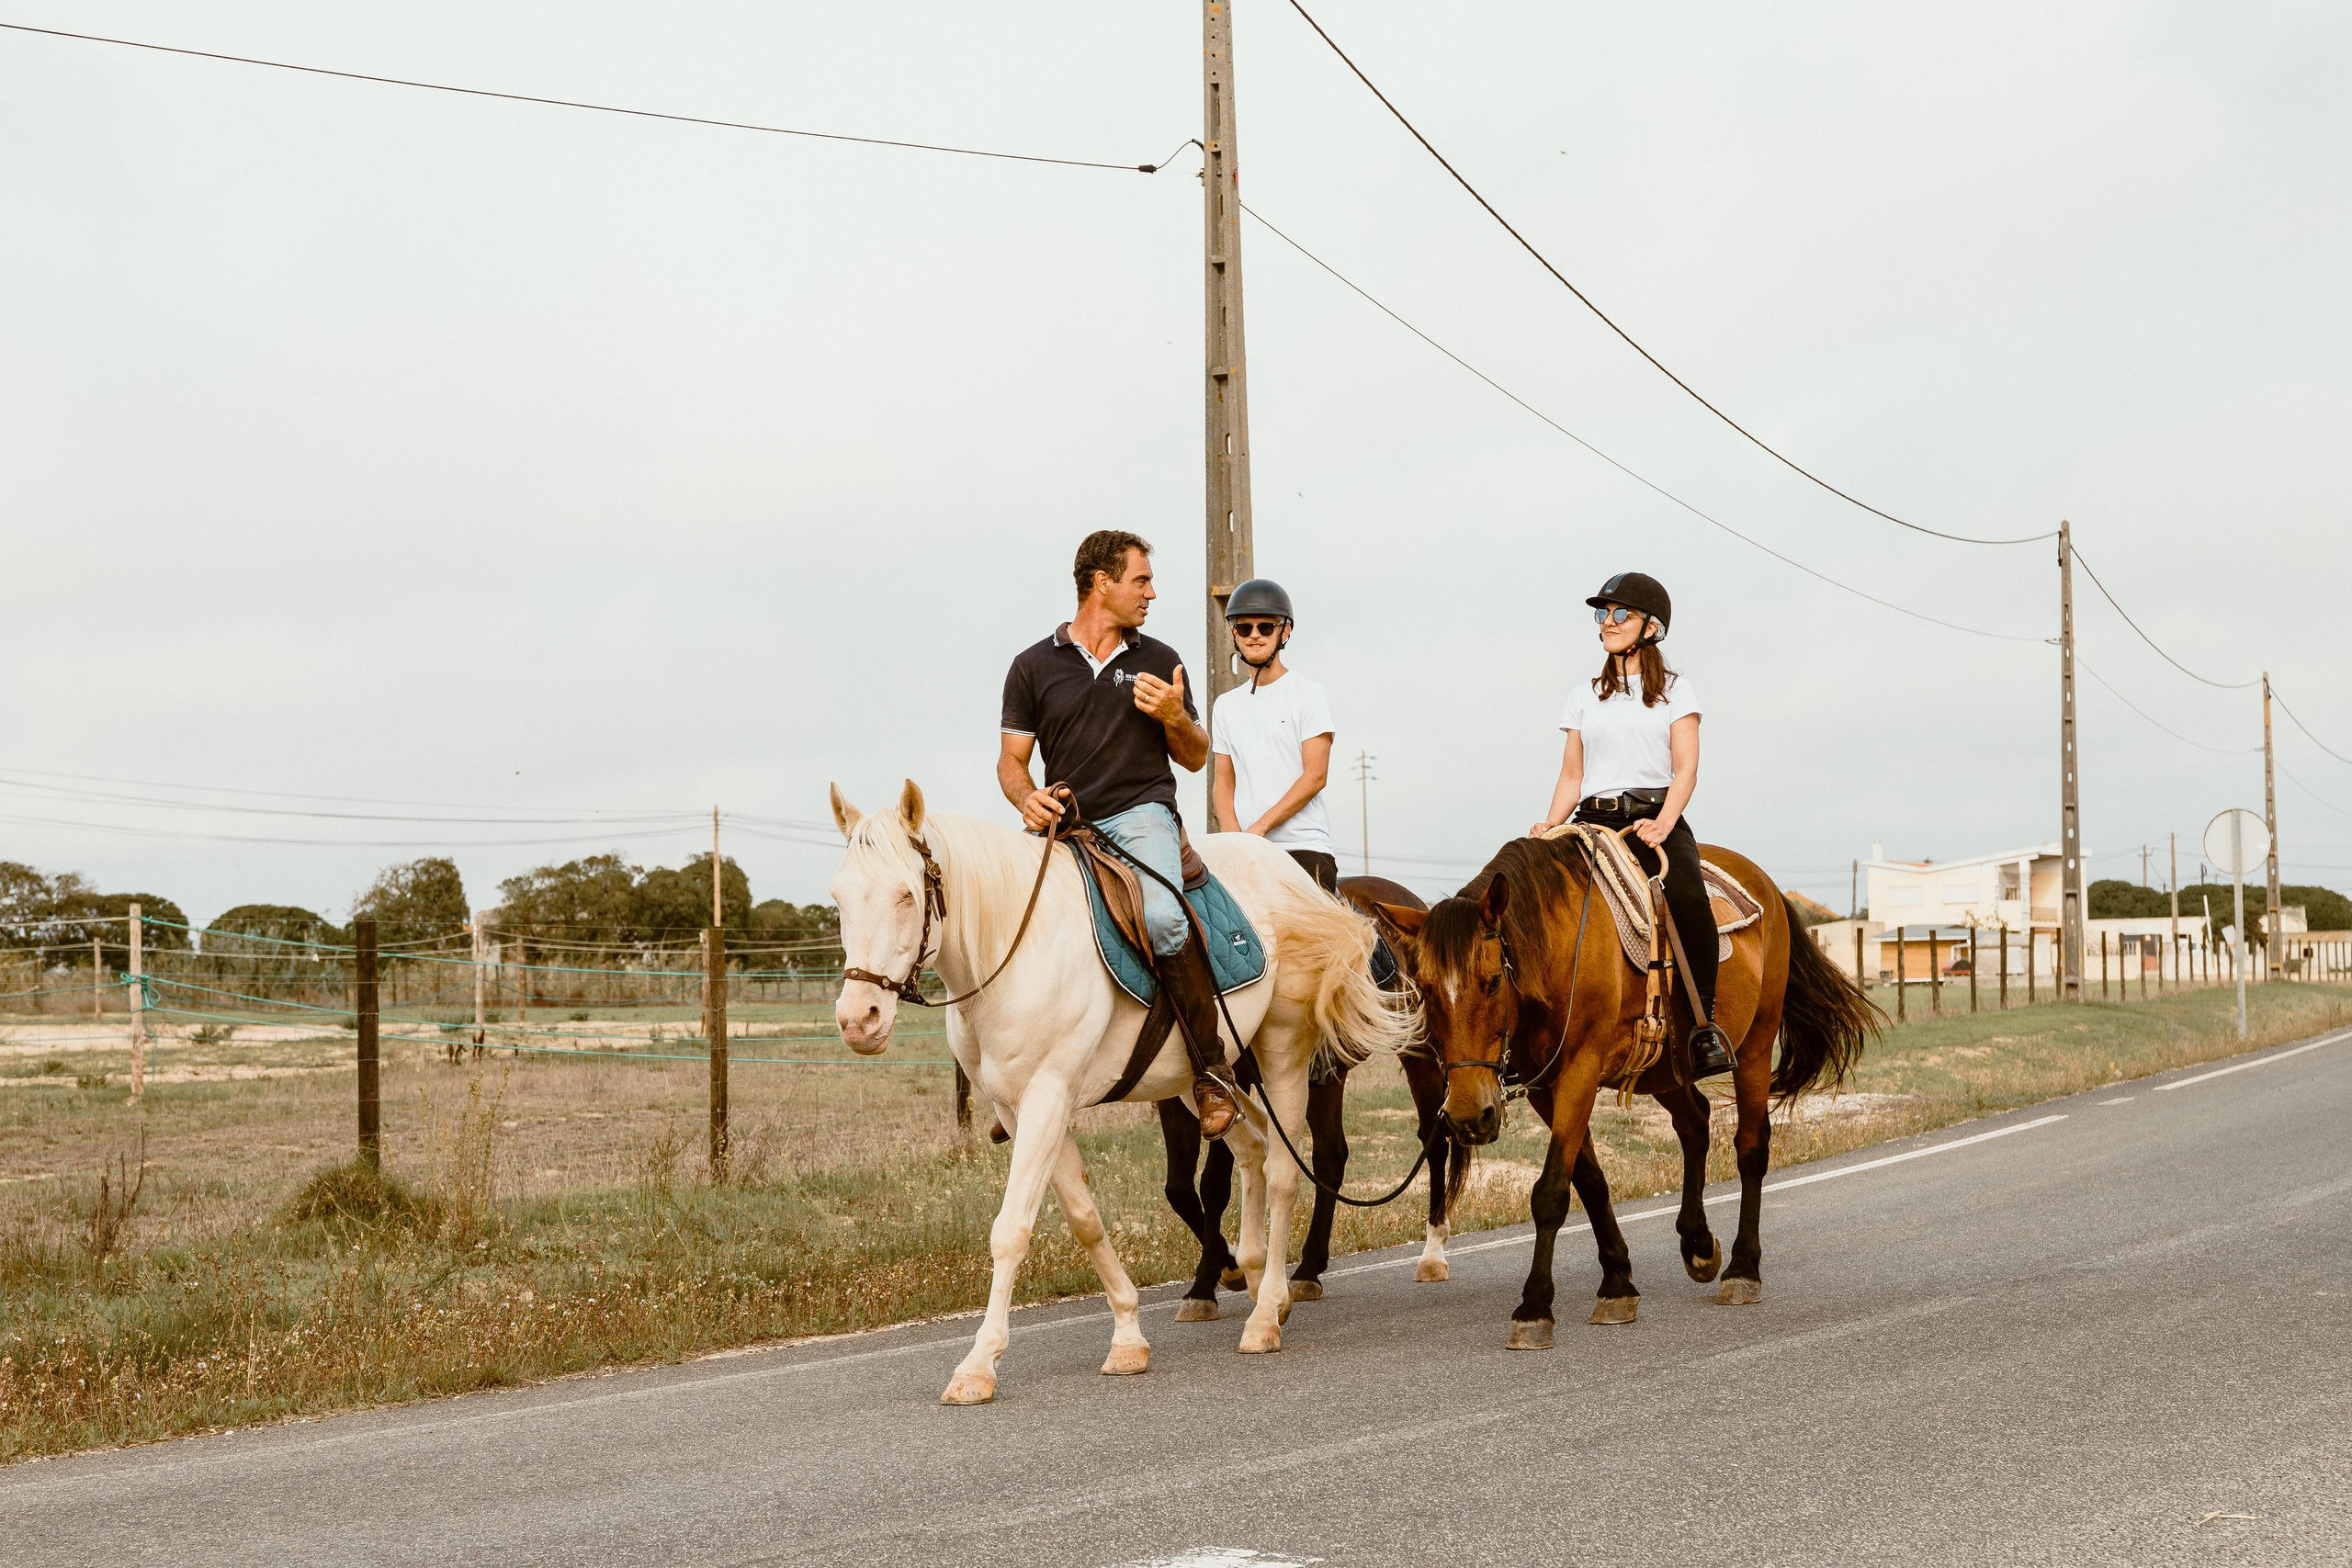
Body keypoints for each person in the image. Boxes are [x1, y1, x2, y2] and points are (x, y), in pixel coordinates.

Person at [998, 529, 1240, 1137]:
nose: (1152, 593)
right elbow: (1010, 762)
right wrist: (1026, 798)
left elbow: (1195, 755)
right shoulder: (1032, 666)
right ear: (1101, 583)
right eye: (1141, 580)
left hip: (1140, 815)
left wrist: (1173, 716)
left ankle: (1212, 1069)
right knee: (1007, 920)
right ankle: (1009, 1079)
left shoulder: (1160, 659)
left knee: (1162, 917)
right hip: (1067, 821)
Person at [1530, 571, 1733, 1077]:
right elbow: (1572, 773)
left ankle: (1704, 1026)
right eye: (1603, 614)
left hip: (1652, 817)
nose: (1609, 623)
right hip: (1592, 821)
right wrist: (1549, 824)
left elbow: (1685, 767)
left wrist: (1664, 825)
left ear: (1651, 628)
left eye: (1621, 613)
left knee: (1687, 895)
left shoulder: (1677, 693)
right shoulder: (1582, 695)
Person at [1210, 579, 1339, 892]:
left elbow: (1315, 775)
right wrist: (1235, 841)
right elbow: (1223, 783)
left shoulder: (1308, 694)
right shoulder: (1225, 705)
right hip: (1247, 851)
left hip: (1302, 847)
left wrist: (1259, 830)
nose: (1254, 635)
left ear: (1285, 631)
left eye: (1266, 627)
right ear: (1233, 634)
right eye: (1244, 628)